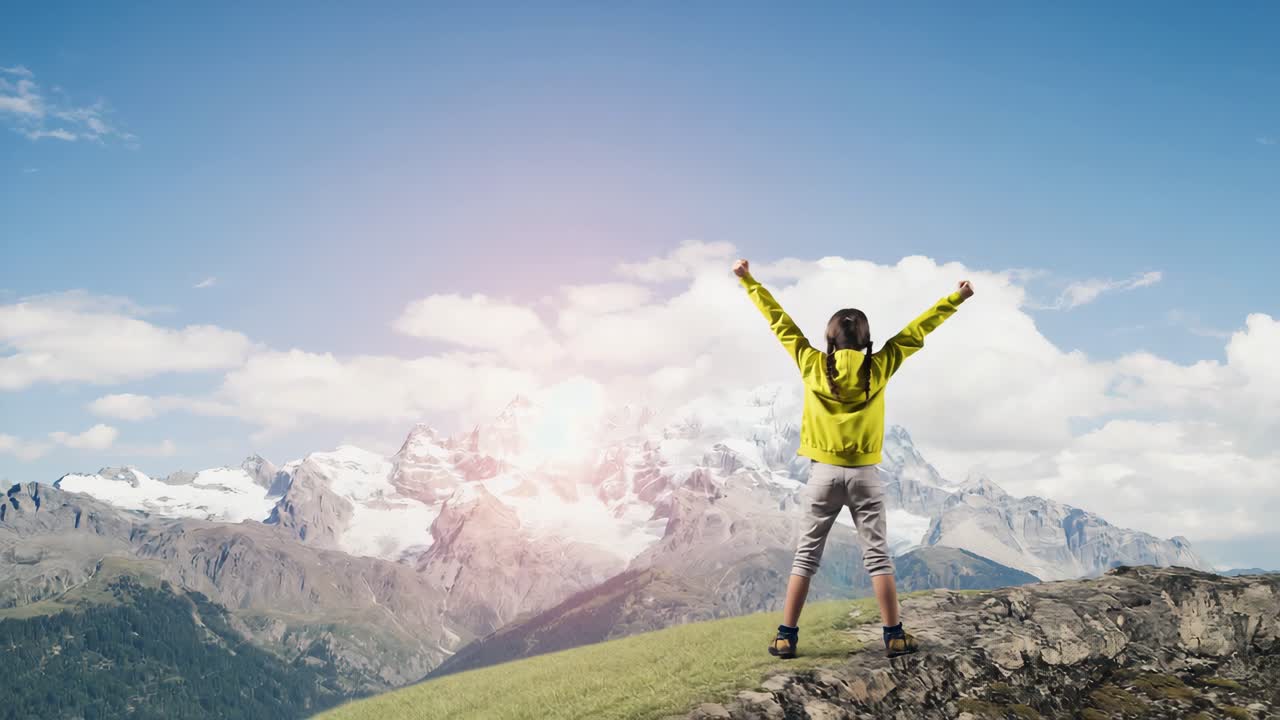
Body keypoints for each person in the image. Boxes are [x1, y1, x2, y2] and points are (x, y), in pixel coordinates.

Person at [732, 258, 973, 659]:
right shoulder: (879, 366)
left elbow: (778, 320)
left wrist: (748, 280)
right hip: (865, 476)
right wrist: (957, 297)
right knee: (878, 556)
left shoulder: (811, 363)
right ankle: (894, 635)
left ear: (829, 340)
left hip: (822, 476)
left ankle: (785, 637)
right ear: (867, 341)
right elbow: (918, 330)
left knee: (805, 556)